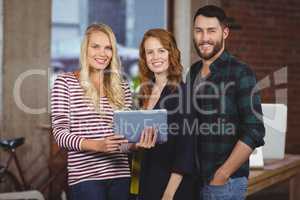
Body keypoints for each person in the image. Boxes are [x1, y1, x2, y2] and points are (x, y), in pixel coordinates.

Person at [51, 23, 155, 200]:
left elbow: (122, 141)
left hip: (120, 175)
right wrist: (97, 145)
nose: (102, 53)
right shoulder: (65, 82)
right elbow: (60, 134)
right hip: (85, 178)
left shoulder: (122, 86)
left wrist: (135, 145)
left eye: (108, 48)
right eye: (95, 46)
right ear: (86, 49)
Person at [186, 5, 265, 200]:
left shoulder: (241, 72)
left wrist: (222, 175)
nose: (204, 38)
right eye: (199, 31)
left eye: (211, 31)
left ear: (225, 32)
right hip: (195, 180)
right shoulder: (193, 72)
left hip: (224, 185)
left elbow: (254, 130)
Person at [137, 29, 195, 200]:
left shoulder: (184, 93)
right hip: (147, 181)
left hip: (172, 188)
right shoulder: (145, 92)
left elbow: (186, 150)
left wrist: (168, 195)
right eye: (150, 52)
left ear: (172, 54)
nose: (156, 57)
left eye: (161, 50)